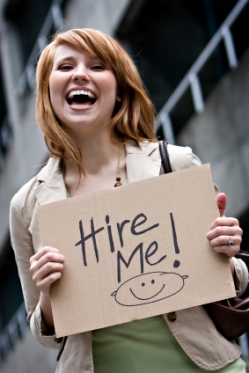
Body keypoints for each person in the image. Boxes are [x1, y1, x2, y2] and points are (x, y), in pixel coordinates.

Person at [9, 28, 248, 373]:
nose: (80, 74)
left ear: (119, 91)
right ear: (48, 93)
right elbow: (45, 334)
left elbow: (236, 279)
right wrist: (47, 294)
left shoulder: (175, 164)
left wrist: (223, 252)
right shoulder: (25, 206)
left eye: (96, 66)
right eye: (65, 67)